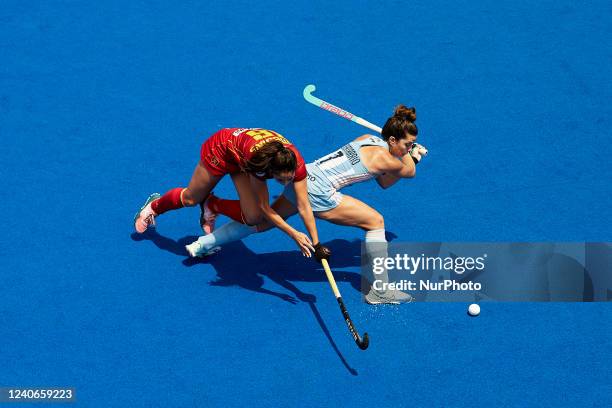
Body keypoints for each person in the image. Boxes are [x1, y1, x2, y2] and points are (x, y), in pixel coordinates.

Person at [185, 106, 428, 304]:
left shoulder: (367, 139)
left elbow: (384, 182)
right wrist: (414, 154)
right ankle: (380, 290)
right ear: (393, 139)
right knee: (376, 222)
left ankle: (201, 245)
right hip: (320, 191)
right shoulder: (391, 159)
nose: (408, 148)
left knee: (263, 222)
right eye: (406, 143)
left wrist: (406, 151)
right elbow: (409, 170)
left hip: (304, 176)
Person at [134, 127, 327, 258]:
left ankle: (212, 204)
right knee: (191, 198)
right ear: (270, 171)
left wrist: (316, 244)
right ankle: (153, 206)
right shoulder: (261, 165)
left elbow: (303, 204)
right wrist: (294, 234)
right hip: (222, 148)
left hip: (243, 157)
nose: (286, 183)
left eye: (289, 178)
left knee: (252, 217)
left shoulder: (296, 164)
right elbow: (265, 207)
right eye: (280, 179)